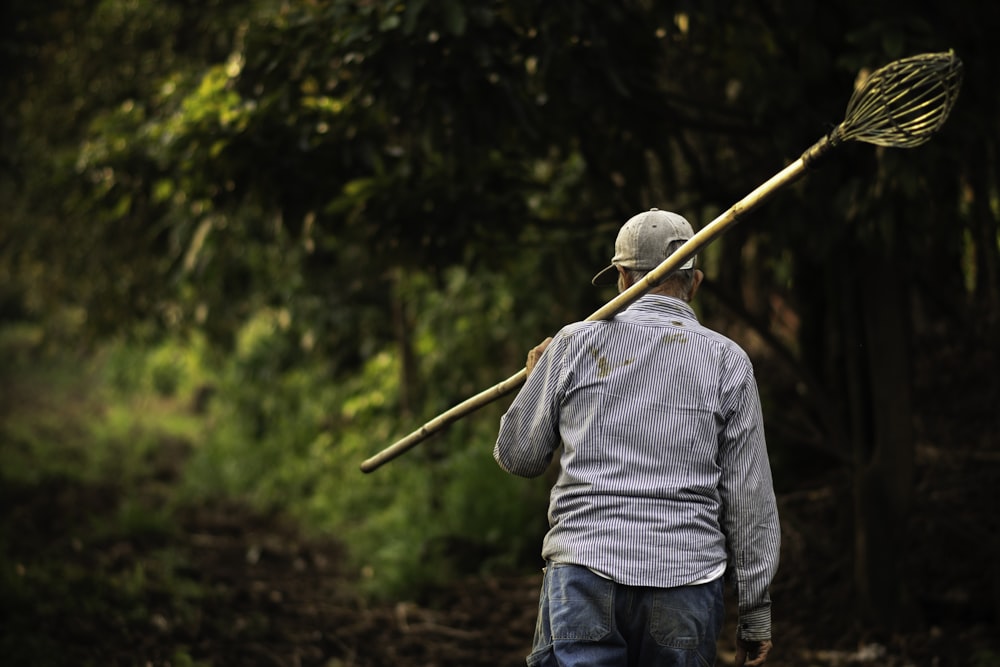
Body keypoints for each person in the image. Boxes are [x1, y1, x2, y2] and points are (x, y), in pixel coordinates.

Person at [494, 208, 780, 667]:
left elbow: (518, 456)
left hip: (583, 577)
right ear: (696, 282)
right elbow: (750, 499)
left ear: (622, 277)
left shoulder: (572, 345)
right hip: (687, 583)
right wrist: (755, 613)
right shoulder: (729, 361)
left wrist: (536, 383)